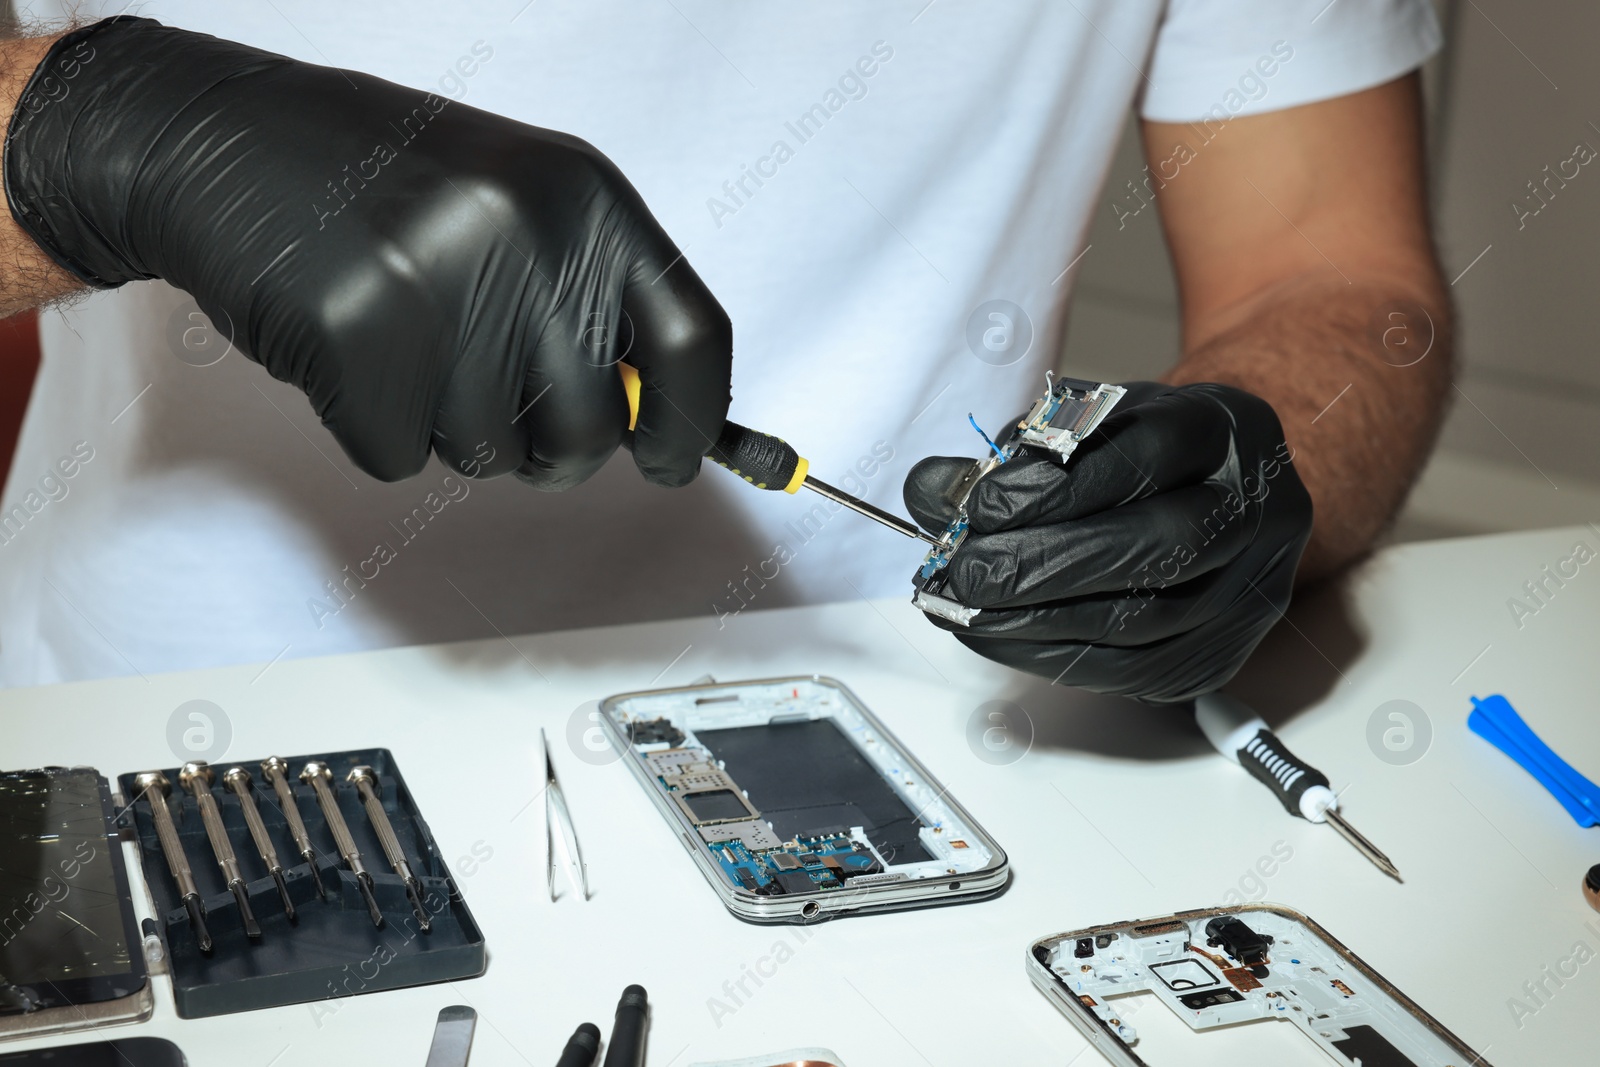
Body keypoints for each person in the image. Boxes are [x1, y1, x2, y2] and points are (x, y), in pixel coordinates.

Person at [0, 2, 1449, 703]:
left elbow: (1334, 268)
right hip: (171, 730)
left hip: (932, 723)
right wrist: (88, 140)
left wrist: (1254, 474)